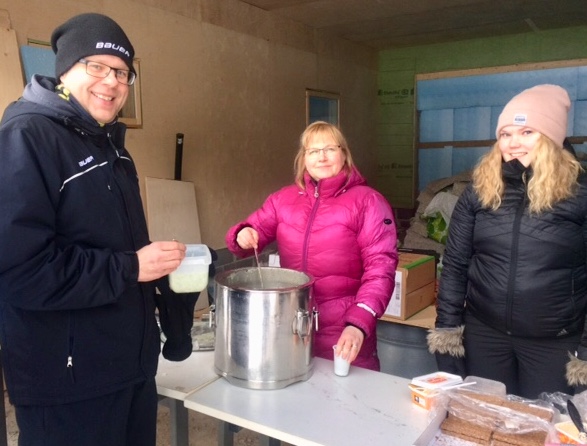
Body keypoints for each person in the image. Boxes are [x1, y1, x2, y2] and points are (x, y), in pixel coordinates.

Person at [0, 13, 187, 446]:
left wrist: (154, 266)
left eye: (122, 72)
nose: (112, 82)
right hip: (67, 385)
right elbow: (19, 271)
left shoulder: (111, 147)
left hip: (127, 370)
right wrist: (130, 268)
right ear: (66, 69)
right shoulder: (25, 138)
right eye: (97, 66)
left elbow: (114, 247)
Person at [427, 84, 587, 399]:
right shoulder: (480, 190)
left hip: (553, 343)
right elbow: (456, 265)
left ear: (551, 137)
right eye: (505, 134)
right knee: (486, 417)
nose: (514, 143)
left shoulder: (579, 194)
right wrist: (447, 331)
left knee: (544, 422)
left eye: (527, 132)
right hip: (485, 336)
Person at [225, 121, 398, 371]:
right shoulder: (282, 199)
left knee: (346, 393)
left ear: (344, 154)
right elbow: (252, 231)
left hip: (344, 330)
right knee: (293, 389)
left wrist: (359, 323)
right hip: (290, 326)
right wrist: (243, 234)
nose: (322, 157)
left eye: (330, 149)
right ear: (303, 158)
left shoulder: (368, 201)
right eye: (313, 151)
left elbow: (381, 268)